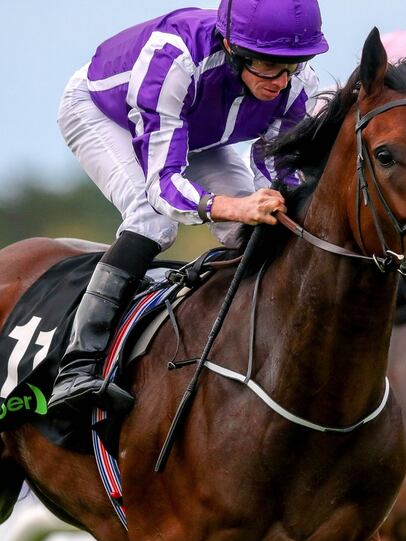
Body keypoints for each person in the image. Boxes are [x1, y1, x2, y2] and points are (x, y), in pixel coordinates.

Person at [49, 0, 328, 415]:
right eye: (269, 66)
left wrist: (273, 201)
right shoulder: (174, 59)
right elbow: (164, 186)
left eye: (293, 64)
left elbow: (272, 163)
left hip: (197, 132)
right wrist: (233, 206)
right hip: (109, 115)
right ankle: (77, 365)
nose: (281, 81)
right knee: (151, 218)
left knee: (254, 232)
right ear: (233, 48)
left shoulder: (296, 84)